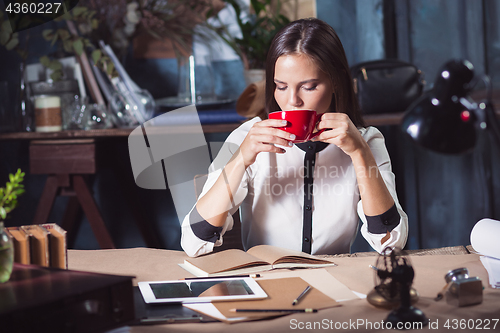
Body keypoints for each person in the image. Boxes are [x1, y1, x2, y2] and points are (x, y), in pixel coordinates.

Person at [181, 18, 408, 257]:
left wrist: (360, 153)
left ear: (337, 81)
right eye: (281, 86)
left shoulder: (367, 142)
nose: (293, 101)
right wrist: (241, 159)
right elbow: (193, 242)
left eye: (308, 87)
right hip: (268, 279)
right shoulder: (249, 137)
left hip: (334, 281)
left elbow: (390, 241)